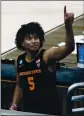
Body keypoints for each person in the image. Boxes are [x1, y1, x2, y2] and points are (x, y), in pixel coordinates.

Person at [10, 6, 74, 115]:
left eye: (36, 37)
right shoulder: (19, 61)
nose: (34, 41)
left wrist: (68, 27)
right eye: (29, 38)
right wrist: (14, 104)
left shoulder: (46, 56)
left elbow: (69, 48)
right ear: (22, 43)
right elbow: (19, 85)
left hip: (49, 112)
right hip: (29, 112)